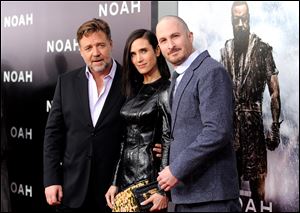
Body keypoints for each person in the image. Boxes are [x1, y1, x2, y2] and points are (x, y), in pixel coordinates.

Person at [156, 15, 241, 212]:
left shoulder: (210, 71)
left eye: (175, 36)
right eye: (163, 40)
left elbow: (217, 131)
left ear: (190, 36)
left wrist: (176, 169)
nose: (170, 45)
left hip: (211, 197)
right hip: (187, 195)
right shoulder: (177, 78)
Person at [43, 18, 127, 212]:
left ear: (111, 44)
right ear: (81, 51)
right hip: (71, 190)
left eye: (100, 45)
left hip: (115, 193)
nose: (95, 53)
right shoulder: (66, 82)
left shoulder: (130, 81)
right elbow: (53, 135)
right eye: (88, 47)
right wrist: (51, 179)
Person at [220, 1, 281, 206]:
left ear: (249, 19)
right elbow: (220, 92)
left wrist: (275, 127)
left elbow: (274, 92)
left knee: (258, 187)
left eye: (244, 19)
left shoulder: (263, 49)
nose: (240, 24)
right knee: (230, 185)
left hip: (253, 124)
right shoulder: (226, 50)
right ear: (231, 21)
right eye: (236, 20)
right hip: (231, 127)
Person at [105, 29, 171, 212]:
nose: (138, 59)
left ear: (157, 51)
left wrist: (162, 191)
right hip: (125, 179)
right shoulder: (132, 91)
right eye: (133, 54)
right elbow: (124, 141)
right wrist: (114, 183)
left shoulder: (167, 90)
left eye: (144, 51)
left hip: (149, 180)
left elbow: (168, 139)